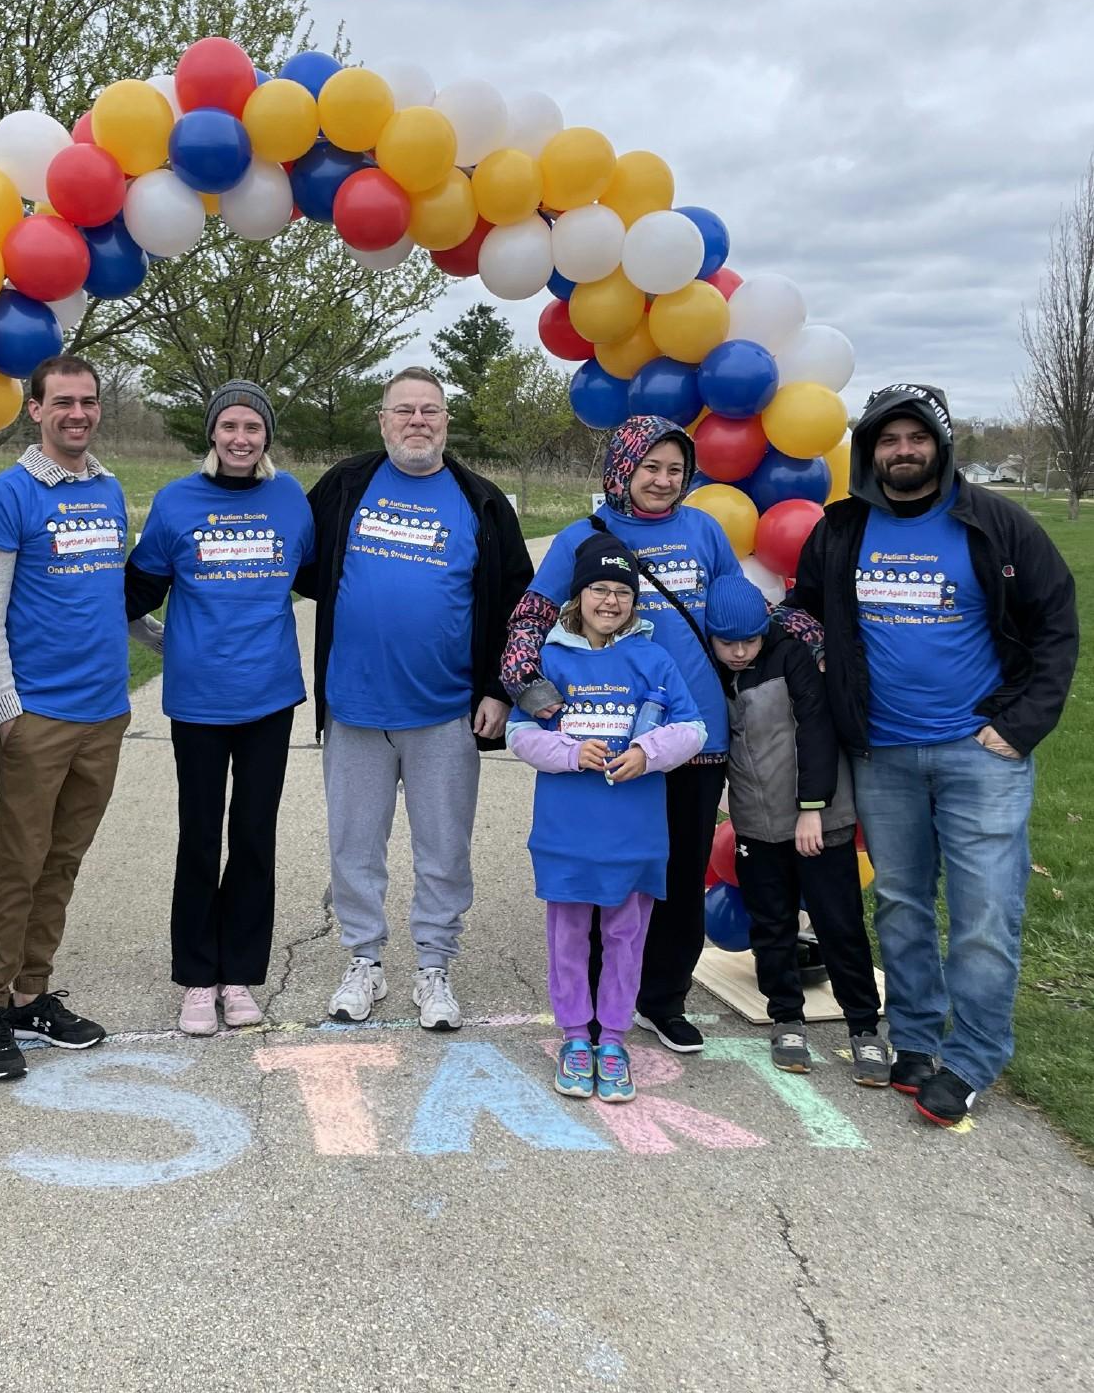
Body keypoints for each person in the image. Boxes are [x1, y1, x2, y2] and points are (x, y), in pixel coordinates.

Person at [789, 383, 1078, 1127]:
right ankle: (915, 1039)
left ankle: (975, 1055)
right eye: (888, 440)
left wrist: (1021, 726)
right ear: (869, 451)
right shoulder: (842, 528)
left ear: (942, 447)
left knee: (985, 912)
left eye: (917, 438)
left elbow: (1055, 625)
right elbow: (807, 608)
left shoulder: (996, 524)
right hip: (882, 752)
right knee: (903, 904)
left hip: (980, 752)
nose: (903, 451)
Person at [298, 366, 532, 1031]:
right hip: (355, 708)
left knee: (443, 851)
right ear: (382, 420)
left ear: (446, 422)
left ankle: (434, 966)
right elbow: (298, 561)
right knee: (354, 848)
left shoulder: (482, 502)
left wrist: (500, 690)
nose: (417, 422)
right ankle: (363, 962)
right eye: (404, 411)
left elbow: (518, 605)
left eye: (430, 410)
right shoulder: (346, 484)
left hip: (447, 713)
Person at [501, 414, 740, 1053]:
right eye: (650, 466)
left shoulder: (703, 529)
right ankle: (605, 1005)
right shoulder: (582, 538)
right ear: (623, 465)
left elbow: (739, 611)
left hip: (693, 736)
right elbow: (529, 620)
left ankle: (663, 998)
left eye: (675, 470)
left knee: (681, 874)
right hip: (601, 741)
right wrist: (534, 693)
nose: (662, 481)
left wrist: (799, 638)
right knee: (608, 875)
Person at [0, 353, 160, 1083]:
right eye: (63, 402)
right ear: (36, 410)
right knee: (18, 864)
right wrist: (8, 711)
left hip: (105, 714)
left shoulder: (108, 489)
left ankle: (31, 994)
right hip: (37, 718)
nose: (77, 413)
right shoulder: (8, 496)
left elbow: (109, 596)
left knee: (64, 863)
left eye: (88, 401)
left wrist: (159, 639)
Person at [125, 381, 314, 1035]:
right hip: (199, 703)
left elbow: (320, 575)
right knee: (201, 841)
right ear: (212, 432)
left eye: (253, 428)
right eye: (229, 426)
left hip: (270, 698)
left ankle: (240, 978)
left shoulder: (289, 498)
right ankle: (197, 980)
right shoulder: (177, 502)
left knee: (254, 839)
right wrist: (159, 641)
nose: (241, 438)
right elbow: (135, 590)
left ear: (266, 436)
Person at [507, 533, 705, 1103]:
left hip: (635, 836)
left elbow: (693, 729)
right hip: (566, 834)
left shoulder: (654, 658)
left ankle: (613, 1038)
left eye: (622, 592)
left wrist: (647, 754)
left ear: (634, 601)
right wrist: (570, 752)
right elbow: (520, 734)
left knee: (625, 936)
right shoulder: (548, 658)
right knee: (568, 936)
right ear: (579, 596)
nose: (610, 601)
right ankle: (574, 1035)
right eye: (599, 588)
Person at [705, 573, 890, 1086]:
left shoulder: (793, 659)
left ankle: (864, 1027)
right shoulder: (713, 672)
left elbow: (816, 730)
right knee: (771, 923)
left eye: (749, 640)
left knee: (839, 924)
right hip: (756, 823)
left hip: (817, 821)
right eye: (727, 643)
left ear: (765, 629)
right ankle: (786, 1017)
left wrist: (813, 807)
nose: (739, 652)